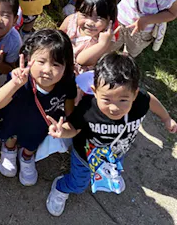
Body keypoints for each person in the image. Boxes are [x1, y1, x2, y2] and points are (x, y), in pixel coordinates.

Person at [45, 52, 177, 217]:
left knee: (115, 165)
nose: (114, 108)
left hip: (116, 153)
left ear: (135, 94)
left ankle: (109, 173)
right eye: (106, 100)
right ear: (95, 91)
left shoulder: (140, 101)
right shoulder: (88, 108)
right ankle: (61, 187)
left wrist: (166, 118)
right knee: (79, 184)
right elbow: (73, 127)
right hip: (85, 157)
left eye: (123, 100)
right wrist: (62, 131)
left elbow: (150, 100)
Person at [0, 29, 76, 186]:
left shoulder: (67, 81)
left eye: (56, 64)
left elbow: (71, 111)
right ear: (29, 58)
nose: (47, 70)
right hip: (14, 119)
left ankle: (26, 156)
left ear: (66, 66)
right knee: (11, 134)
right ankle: (9, 149)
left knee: (33, 140)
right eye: (41, 61)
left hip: (41, 125)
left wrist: (65, 128)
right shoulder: (19, 78)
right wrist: (14, 85)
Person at [60, 0, 118, 76]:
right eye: (84, 14)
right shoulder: (71, 21)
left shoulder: (107, 41)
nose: (90, 22)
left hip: (77, 74)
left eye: (98, 18)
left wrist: (101, 45)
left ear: (110, 20)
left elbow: (81, 60)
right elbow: (59, 35)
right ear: (76, 10)